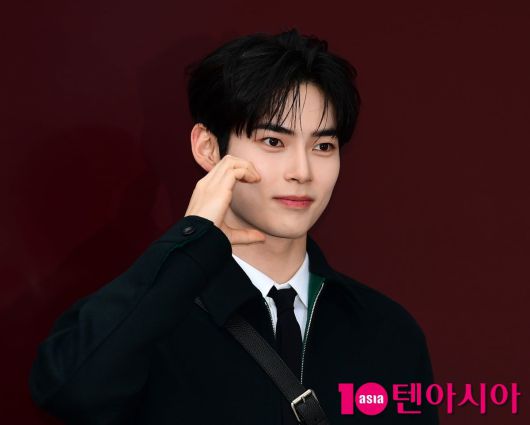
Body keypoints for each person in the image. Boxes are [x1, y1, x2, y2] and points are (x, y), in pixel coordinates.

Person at [29, 28, 439, 424]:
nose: (302, 171)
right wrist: (191, 242)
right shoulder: (150, 319)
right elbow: (67, 391)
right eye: (273, 142)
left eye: (323, 146)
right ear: (209, 148)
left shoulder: (386, 331)